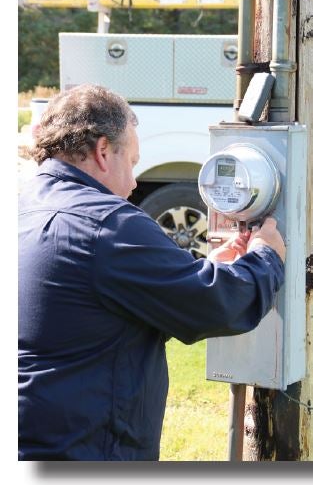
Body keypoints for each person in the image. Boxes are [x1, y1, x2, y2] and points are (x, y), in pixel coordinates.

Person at [18, 84, 286, 461]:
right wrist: (266, 257)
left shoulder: (23, 208)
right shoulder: (107, 225)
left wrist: (210, 269)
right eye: (132, 162)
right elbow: (215, 305)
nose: (132, 184)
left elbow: (101, 309)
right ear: (103, 151)